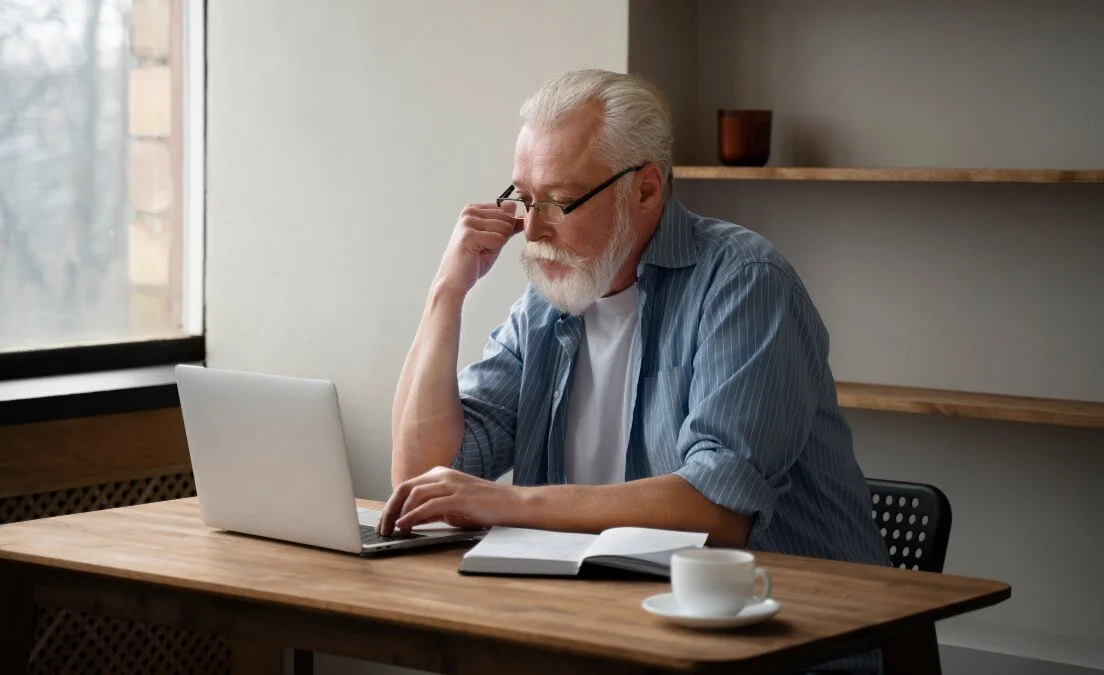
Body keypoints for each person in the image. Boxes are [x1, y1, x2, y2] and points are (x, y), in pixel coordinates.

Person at [378, 69, 890, 572]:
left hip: (794, 607)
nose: (532, 230)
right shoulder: (545, 305)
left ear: (645, 190)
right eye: (525, 199)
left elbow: (718, 509)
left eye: (560, 202)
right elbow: (422, 479)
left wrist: (512, 503)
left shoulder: (745, 281)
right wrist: (446, 293)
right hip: (609, 601)